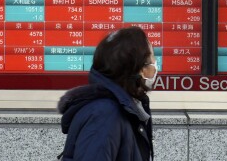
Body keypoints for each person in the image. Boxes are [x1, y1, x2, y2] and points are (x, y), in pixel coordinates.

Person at [58, 26, 156, 160]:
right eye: (151, 61)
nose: (155, 66)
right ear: (137, 69)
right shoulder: (105, 115)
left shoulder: (122, 110)